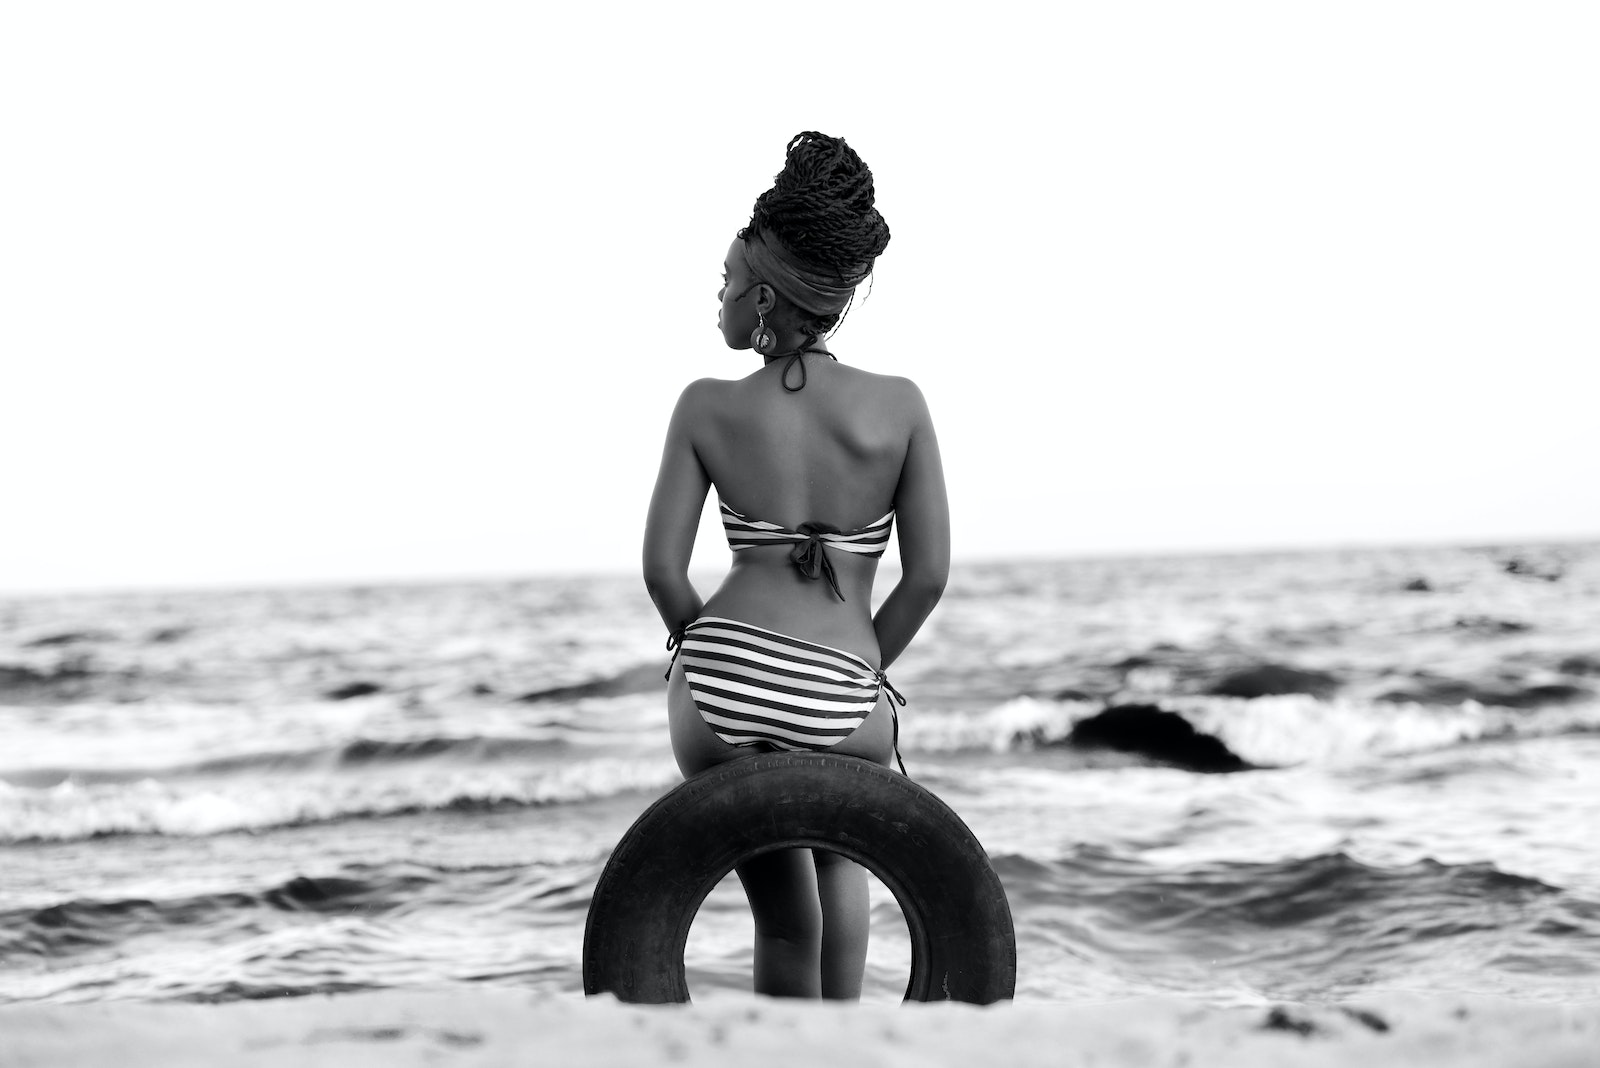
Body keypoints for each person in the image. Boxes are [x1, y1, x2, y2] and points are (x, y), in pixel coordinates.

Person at [642, 131, 949, 1000]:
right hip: (843, 691)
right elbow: (927, 577)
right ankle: (842, 1046)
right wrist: (855, 664)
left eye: (726, 285)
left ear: (766, 298)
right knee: (842, 865)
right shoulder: (901, 407)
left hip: (721, 691)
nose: (718, 301)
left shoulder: (705, 407)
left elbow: (664, 574)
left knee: (782, 915)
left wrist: (717, 651)